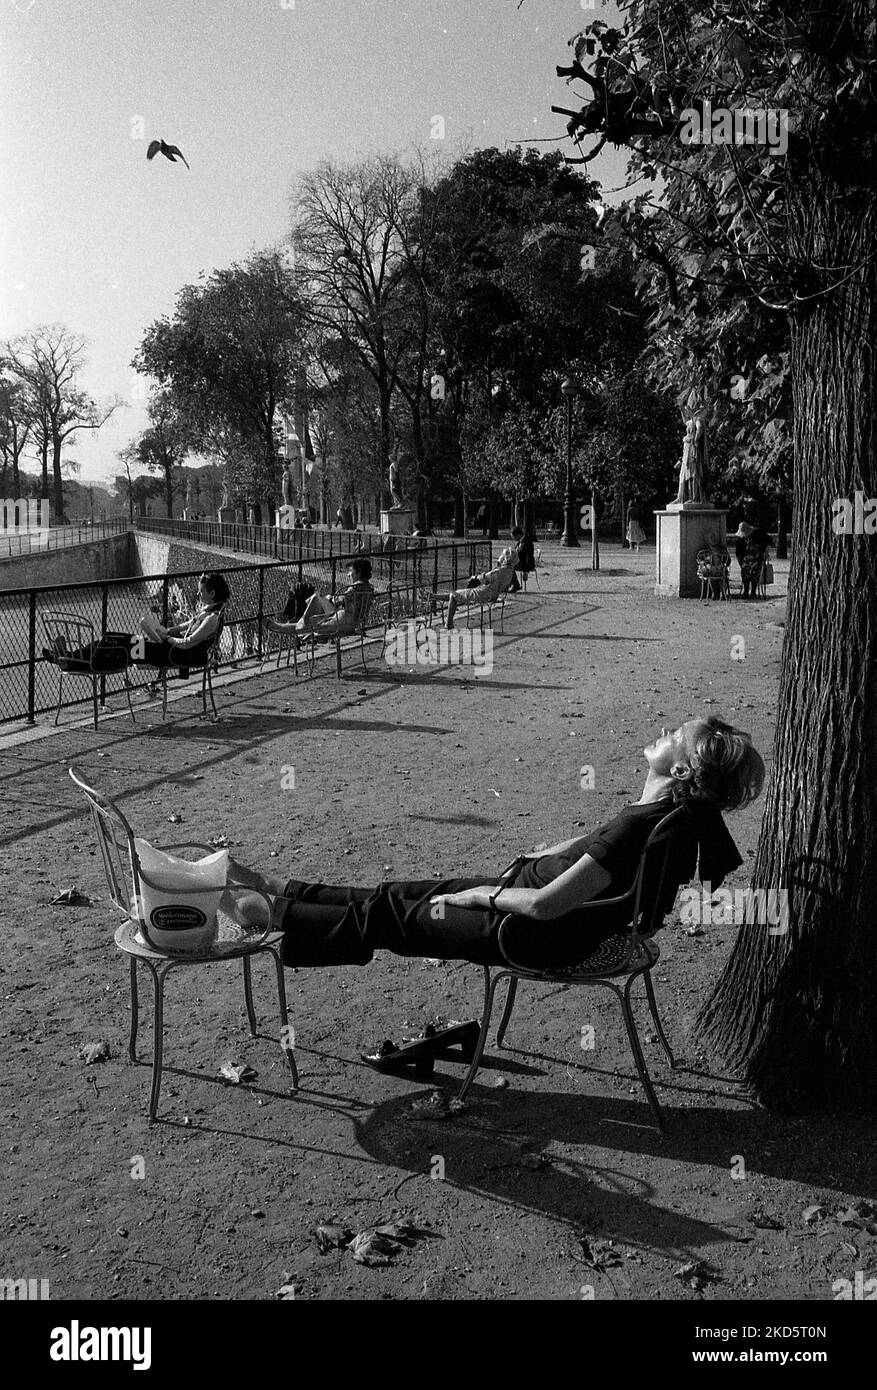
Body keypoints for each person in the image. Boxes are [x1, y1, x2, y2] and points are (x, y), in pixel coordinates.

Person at [221, 718, 765, 974]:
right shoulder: (664, 816)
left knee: (389, 916)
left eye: (675, 734)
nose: (664, 730)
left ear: (683, 767)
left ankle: (267, 913)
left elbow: (546, 905)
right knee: (395, 892)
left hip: (523, 929)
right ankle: (280, 889)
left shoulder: (641, 830)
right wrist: (549, 851)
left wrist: (482, 895)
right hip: (523, 906)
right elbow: (600, 845)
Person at [132, 572, 229, 684]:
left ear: (212, 593)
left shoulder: (212, 618)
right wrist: (168, 631)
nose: (198, 594)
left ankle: (125, 654)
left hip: (182, 654)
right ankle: (127, 652)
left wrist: (167, 638)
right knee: (138, 642)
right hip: (180, 649)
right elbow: (189, 624)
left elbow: (187, 643)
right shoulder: (209, 610)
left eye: (201, 591)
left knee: (136, 645)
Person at [271, 557, 374, 643]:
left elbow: (336, 601)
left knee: (315, 599)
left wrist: (330, 598)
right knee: (314, 608)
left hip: (344, 621)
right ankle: (297, 626)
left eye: (350, 571)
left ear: (358, 572)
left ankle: (293, 626)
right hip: (357, 622)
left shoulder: (354, 588)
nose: (348, 574)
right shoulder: (369, 588)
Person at [444, 549, 517, 629]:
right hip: (494, 594)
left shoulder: (500, 571)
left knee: (454, 595)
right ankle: (433, 596)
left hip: (484, 594)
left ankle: (448, 624)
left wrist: (475, 577)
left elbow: (484, 577)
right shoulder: (510, 572)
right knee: (457, 593)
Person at [732, 522, 772, 598]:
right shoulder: (741, 539)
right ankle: (746, 591)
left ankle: (753, 591)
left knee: (755, 572)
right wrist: (740, 561)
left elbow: (769, 541)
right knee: (745, 572)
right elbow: (738, 552)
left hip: (757, 559)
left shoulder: (759, 533)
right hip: (745, 561)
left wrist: (765, 551)